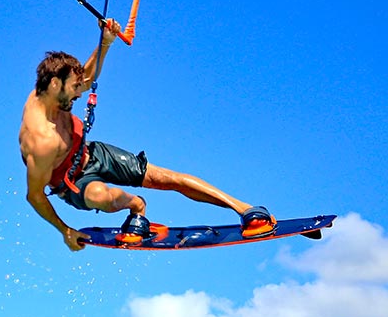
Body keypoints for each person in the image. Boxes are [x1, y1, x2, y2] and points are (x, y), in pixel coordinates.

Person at [19, 19, 277, 251]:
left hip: (94, 153)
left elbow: (86, 77)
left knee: (168, 178)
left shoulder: (55, 91)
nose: (80, 93)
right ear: (55, 84)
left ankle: (244, 209)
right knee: (100, 196)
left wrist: (106, 42)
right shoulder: (42, 139)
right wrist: (65, 231)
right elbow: (35, 195)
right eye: (75, 89)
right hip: (74, 183)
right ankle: (137, 207)